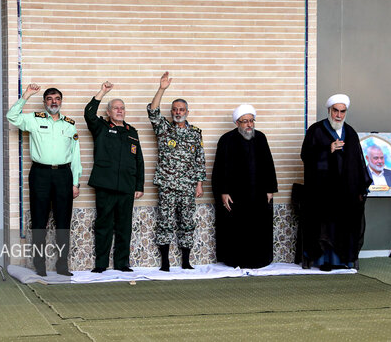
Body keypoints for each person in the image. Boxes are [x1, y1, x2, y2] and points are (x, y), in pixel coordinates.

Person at [6, 83, 81, 277]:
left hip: (64, 175)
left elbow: (76, 155)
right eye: (49, 99)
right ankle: (39, 265)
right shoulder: (34, 120)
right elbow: (12, 117)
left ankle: (62, 265)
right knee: (39, 221)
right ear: (44, 102)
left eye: (57, 99)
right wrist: (26, 95)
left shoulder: (70, 124)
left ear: (61, 102)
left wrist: (76, 182)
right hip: (40, 174)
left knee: (63, 222)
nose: (53, 102)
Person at [300, 94, 372, 271]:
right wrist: (327, 149)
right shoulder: (316, 130)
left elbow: (359, 161)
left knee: (344, 226)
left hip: (346, 192)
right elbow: (306, 156)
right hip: (322, 191)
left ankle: (343, 260)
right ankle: (324, 261)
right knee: (324, 227)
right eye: (335, 111)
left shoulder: (351, 133)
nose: (338, 115)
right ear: (329, 111)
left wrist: (361, 187)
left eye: (342, 111)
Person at [147, 72, 206, 271]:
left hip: (188, 186)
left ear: (187, 112)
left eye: (181, 109)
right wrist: (162, 89)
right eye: (174, 109)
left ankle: (186, 261)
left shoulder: (195, 133)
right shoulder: (164, 128)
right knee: (165, 221)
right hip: (167, 185)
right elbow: (153, 111)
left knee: (187, 222)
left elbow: (200, 160)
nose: (178, 112)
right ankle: (165, 262)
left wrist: (199, 184)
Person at [85, 81, 144, 273]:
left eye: (122, 108)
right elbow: (89, 114)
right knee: (104, 225)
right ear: (109, 112)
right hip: (105, 185)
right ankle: (101, 264)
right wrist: (102, 92)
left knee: (124, 227)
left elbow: (139, 160)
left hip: (127, 187)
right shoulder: (101, 127)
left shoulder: (132, 132)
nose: (119, 111)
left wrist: (139, 186)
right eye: (115, 108)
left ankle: (122, 263)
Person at [211, 104, 278, 269]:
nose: (249, 125)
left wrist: (270, 189)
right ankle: (236, 260)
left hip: (258, 194)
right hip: (236, 195)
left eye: (251, 121)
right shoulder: (226, 140)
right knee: (237, 230)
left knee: (258, 229)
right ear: (237, 123)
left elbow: (269, 164)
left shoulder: (261, 137)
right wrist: (223, 192)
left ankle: (259, 260)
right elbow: (220, 168)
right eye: (245, 121)